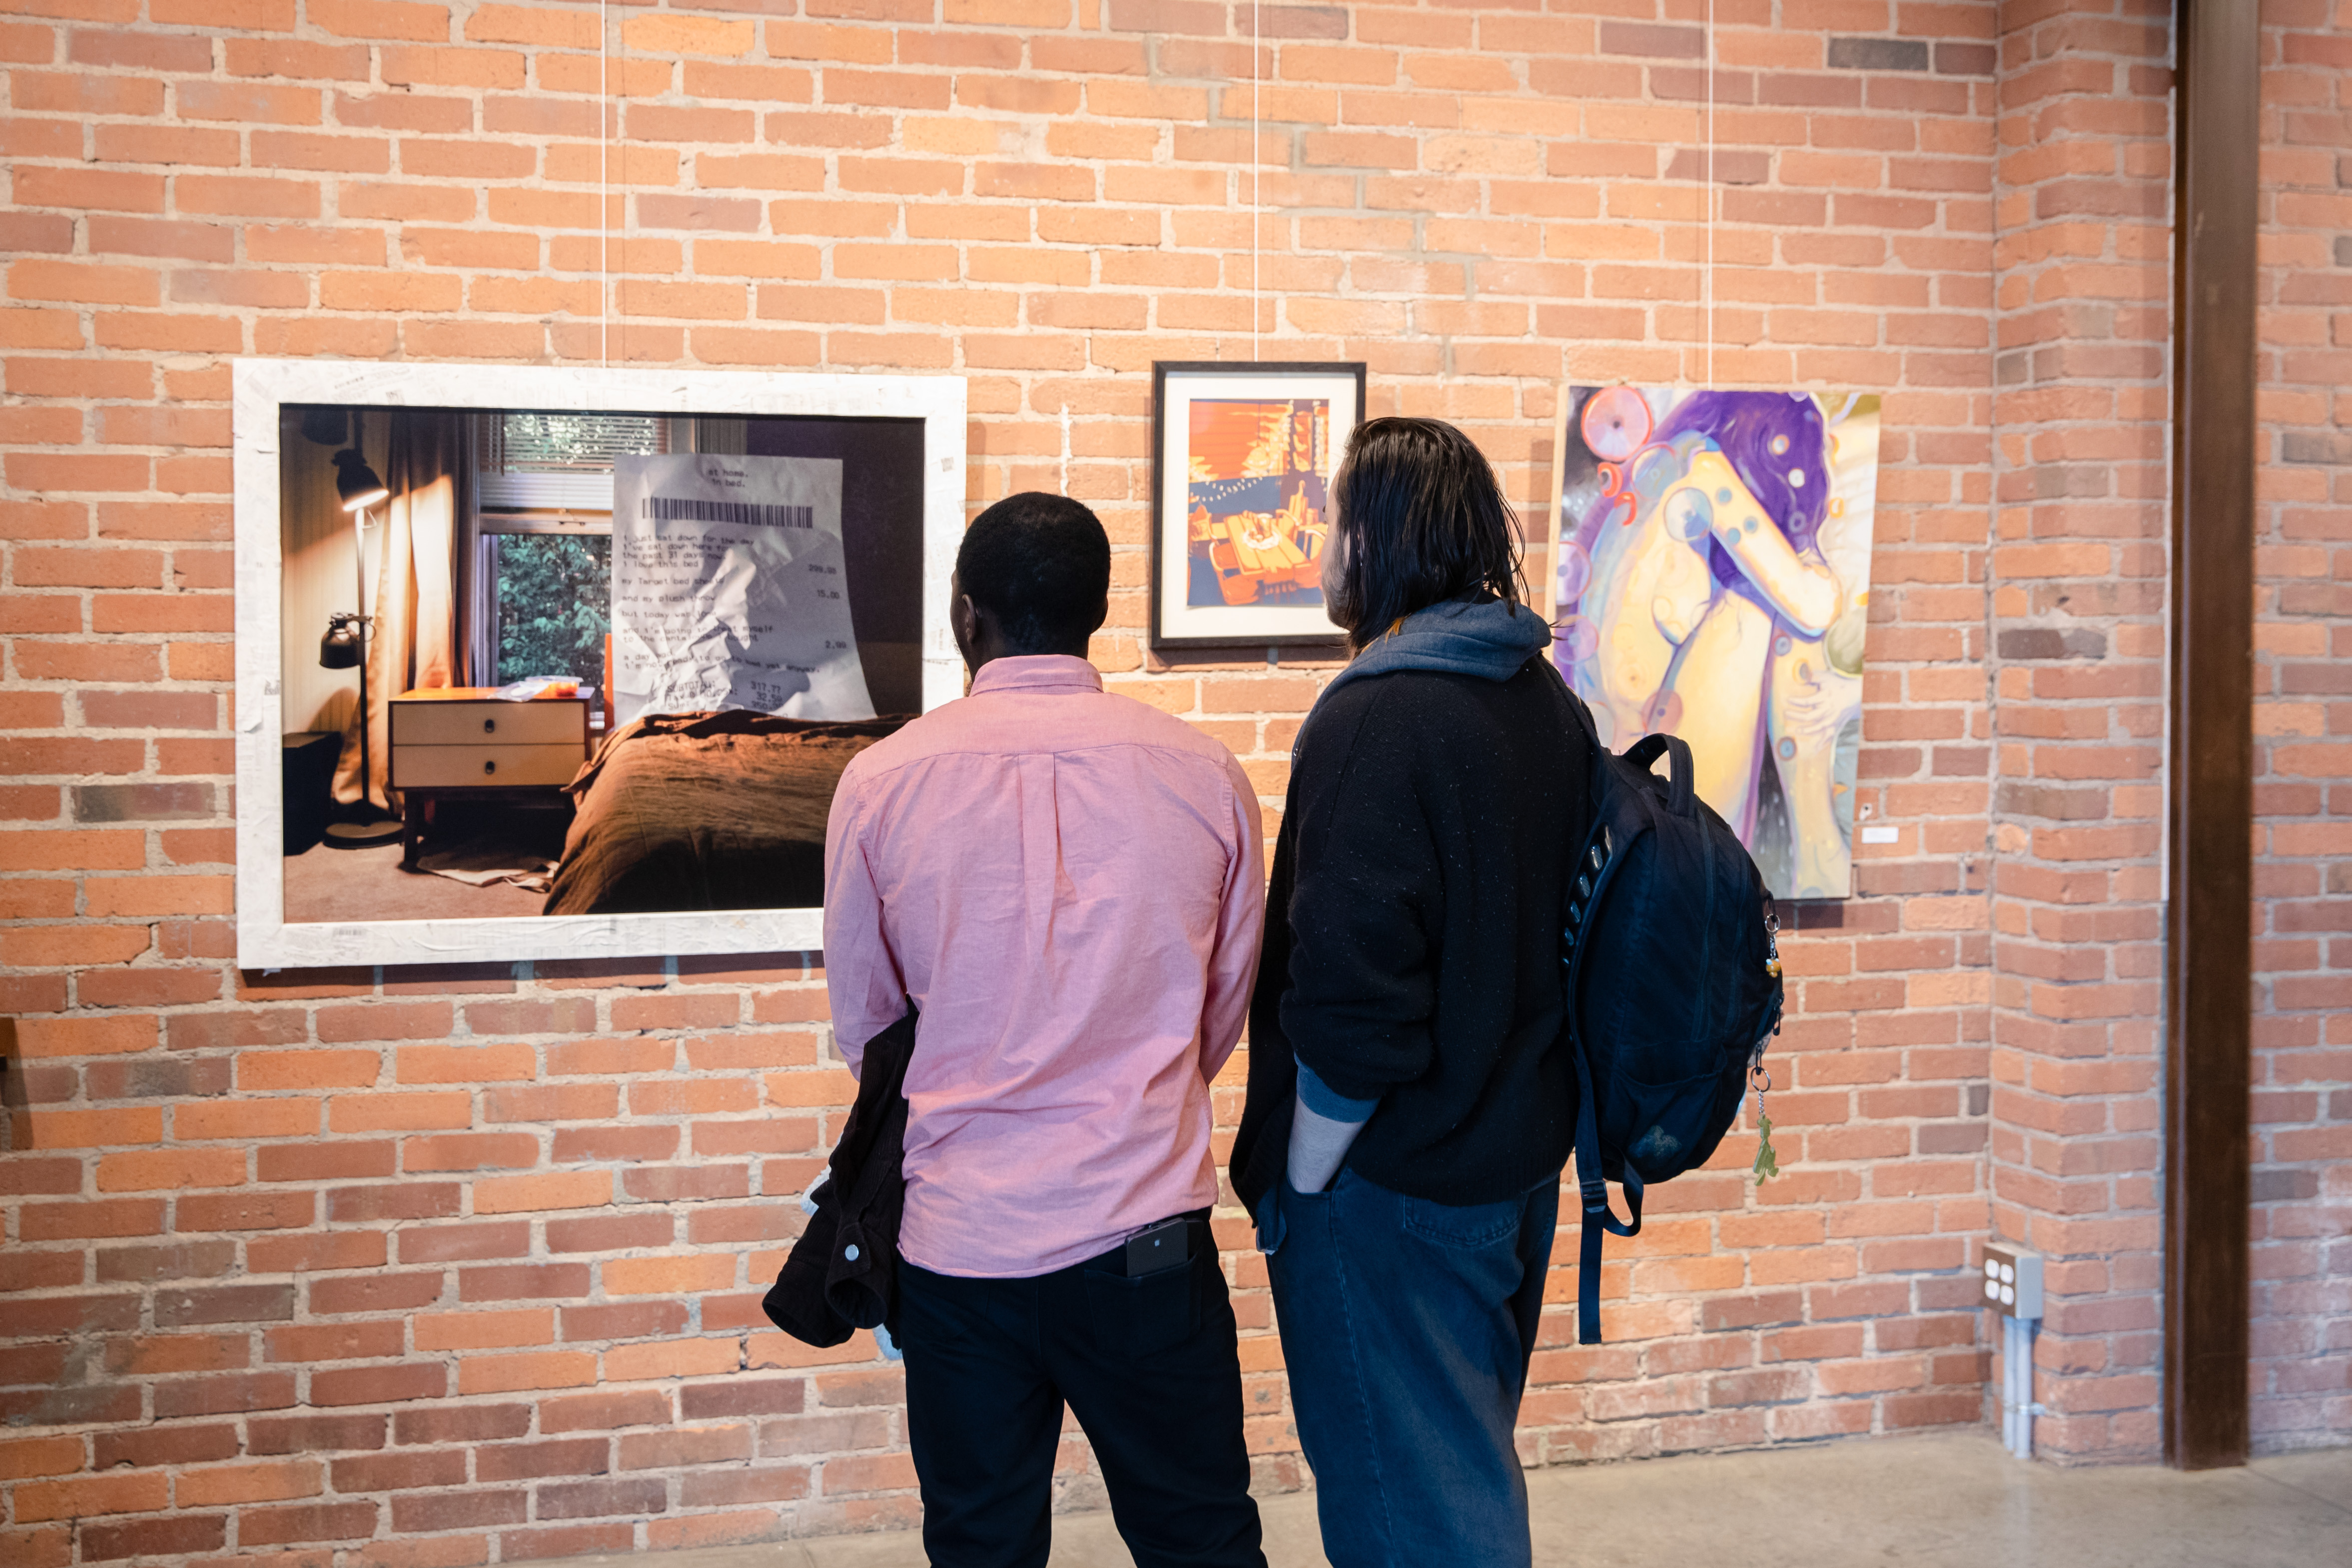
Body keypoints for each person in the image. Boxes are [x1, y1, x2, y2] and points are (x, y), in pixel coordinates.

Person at [823, 492, 1268, 1568]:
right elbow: (1220, 1011)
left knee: (980, 1548)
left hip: (959, 1245)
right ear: (1097, 613)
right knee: (1202, 1541)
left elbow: (869, 1028)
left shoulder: (881, 782)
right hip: (1144, 1238)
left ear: (964, 615)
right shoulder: (1205, 773)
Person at [1230, 417, 1591, 1568]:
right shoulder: (1542, 700)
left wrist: (1303, 1175)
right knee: (1459, 1478)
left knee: (1410, 1517)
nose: (1320, 550)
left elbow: (1350, 993)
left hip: (1392, 1182)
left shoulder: (1375, 715)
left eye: (1336, 522)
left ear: (1380, 539)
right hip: (1512, 1165)